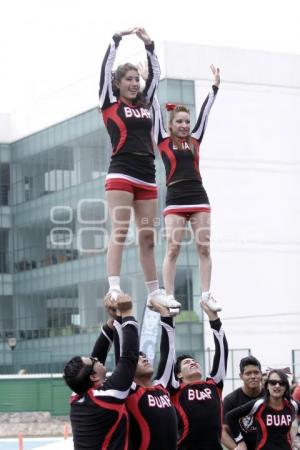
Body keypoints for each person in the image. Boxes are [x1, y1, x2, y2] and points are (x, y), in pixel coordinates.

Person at [99, 27, 180, 312]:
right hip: (121, 170)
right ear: (117, 84)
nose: (134, 83)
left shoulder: (147, 103)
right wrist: (116, 40)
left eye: (136, 79)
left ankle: (154, 292)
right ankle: (114, 286)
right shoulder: (109, 103)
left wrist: (149, 45)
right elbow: (106, 68)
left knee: (147, 236)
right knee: (120, 229)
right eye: (129, 79)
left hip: (147, 172)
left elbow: (155, 75)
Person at [151, 64, 221, 312]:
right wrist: (151, 79)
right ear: (171, 124)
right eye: (179, 121)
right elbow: (154, 107)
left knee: (204, 246)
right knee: (173, 248)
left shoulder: (195, 139)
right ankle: (168, 294)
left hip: (198, 195)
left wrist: (214, 86)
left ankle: (206, 294)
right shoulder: (163, 140)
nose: (184, 125)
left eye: (187, 121)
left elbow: (206, 112)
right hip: (176, 197)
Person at [63, 294, 139, 450]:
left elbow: (98, 357)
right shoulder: (107, 397)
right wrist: (127, 313)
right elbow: (129, 358)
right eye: (94, 362)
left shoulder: (76, 396)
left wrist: (111, 325)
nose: (97, 360)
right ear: (93, 376)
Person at [112, 299, 178, 450]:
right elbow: (122, 353)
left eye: (144, 356)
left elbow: (168, 352)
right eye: (138, 359)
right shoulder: (129, 390)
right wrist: (118, 317)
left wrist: (166, 317)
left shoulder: (162, 386)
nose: (144, 359)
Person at [170, 301, 228, 449]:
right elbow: (168, 354)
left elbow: (222, 352)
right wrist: (168, 319)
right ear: (178, 374)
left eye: (194, 361)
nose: (193, 363)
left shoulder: (213, 384)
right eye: (186, 363)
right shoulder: (176, 389)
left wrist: (214, 319)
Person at [226, 369, 300, 450]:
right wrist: (240, 442)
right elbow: (230, 417)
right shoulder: (258, 404)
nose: (277, 385)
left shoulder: (293, 405)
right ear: (267, 386)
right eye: (273, 382)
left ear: (286, 387)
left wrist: (297, 436)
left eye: (281, 383)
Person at [222, 355, 264, 450]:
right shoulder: (230, 400)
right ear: (241, 376)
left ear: (261, 374)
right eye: (248, 373)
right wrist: (236, 448)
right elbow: (223, 431)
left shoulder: (270, 396)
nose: (253, 376)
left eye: (256, 372)